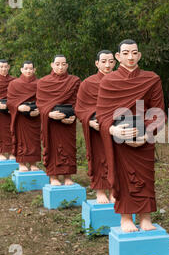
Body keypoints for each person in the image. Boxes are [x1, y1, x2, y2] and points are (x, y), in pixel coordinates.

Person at [96, 39, 165, 232]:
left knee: (145, 178)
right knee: (123, 177)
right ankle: (126, 218)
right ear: (118, 57)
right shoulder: (108, 81)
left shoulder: (151, 79)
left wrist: (148, 134)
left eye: (134, 53)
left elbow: (158, 111)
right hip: (120, 138)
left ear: (140, 55)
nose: (130, 57)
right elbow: (102, 115)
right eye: (125, 53)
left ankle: (145, 218)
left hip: (144, 137)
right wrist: (113, 130)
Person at [75, 50, 116, 203]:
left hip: (116, 128)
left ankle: (114, 190)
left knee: (116, 160)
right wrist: (89, 121)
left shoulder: (120, 81)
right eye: (104, 61)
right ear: (97, 63)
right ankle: (100, 191)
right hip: (96, 130)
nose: (108, 65)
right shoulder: (88, 83)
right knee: (99, 159)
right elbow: (80, 109)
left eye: (111, 61)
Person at [36, 55, 80, 186]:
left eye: (63, 64)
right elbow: (40, 103)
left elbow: (78, 101)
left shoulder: (74, 81)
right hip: (51, 123)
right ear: (52, 65)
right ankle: (53, 175)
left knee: (68, 148)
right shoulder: (43, 82)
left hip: (68, 121)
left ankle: (68, 176)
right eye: (57, 64)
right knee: (52, 146)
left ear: (67, 65)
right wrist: (49, 113)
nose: (60, 67)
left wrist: (74, 115)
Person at [7, 61, 41, 172]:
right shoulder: (14, 84)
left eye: (31, 68)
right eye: (26, 68)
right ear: (21, 70)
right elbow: (10, 102)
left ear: (34, 70)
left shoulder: (39, 83)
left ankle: (33, 163)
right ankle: (21, 163)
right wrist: (18, 107)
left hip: (34, 116)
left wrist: (39, 109)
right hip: (20, 118)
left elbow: (44, 100)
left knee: (34, 140)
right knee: (20, 139)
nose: (28, 71)